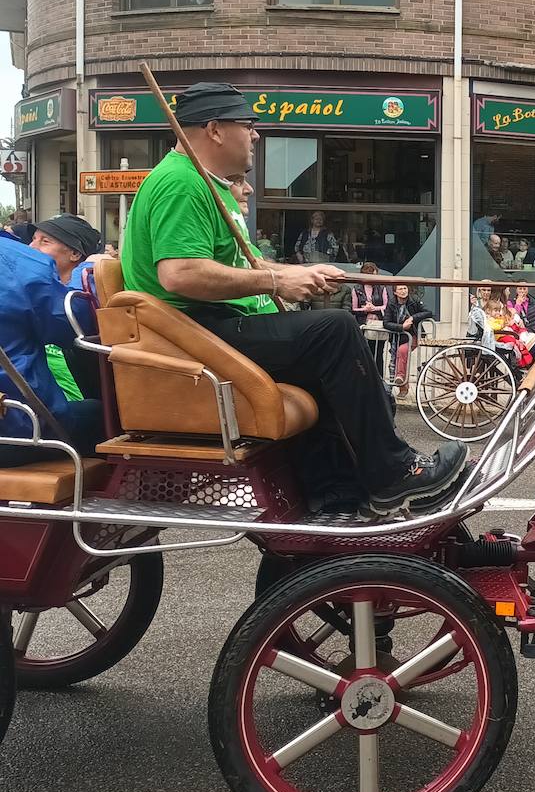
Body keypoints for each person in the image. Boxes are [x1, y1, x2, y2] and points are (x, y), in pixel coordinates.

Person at [119, 81, 468, 515]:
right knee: (335, 329)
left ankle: (335, 496)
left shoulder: (201, 182)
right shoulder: (180, 183)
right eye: (248, 124)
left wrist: (298, 272)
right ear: (213, 129)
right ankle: (393, 473)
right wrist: (276, 284)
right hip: (193, 335)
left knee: (321, 356)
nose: (256, 135)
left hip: (207, 329)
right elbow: (181, 274)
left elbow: (238, 267)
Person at [0, 214, 105, 466]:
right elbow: (72, 325)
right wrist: (88, 271)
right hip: (15, 429)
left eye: (44, 240)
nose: (33, 246)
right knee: (105, 416)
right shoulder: (15, 260)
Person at [383, 284, 433, 398]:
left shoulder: (414, 300)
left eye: (405, 288)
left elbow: (428, 312)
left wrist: (413, 318)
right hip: (397, 337)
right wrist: (401, 327)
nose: (403, 291)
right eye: (400, 289)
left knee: (402, 351)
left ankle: (400, 377)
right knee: (397, 358)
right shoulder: (391, 304)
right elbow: (386, 322)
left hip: (413, 335)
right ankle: (403, 388)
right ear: (395, 292)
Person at [351, 262, 390, 373]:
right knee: (363, 353)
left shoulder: (382, 288)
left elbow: (386, 306)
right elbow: (353, 308)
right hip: (363, 325)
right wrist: (365, 310)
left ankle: (379, 379)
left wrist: (374, 308)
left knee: (378, 353)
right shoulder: (356, 289)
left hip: (378, 326)